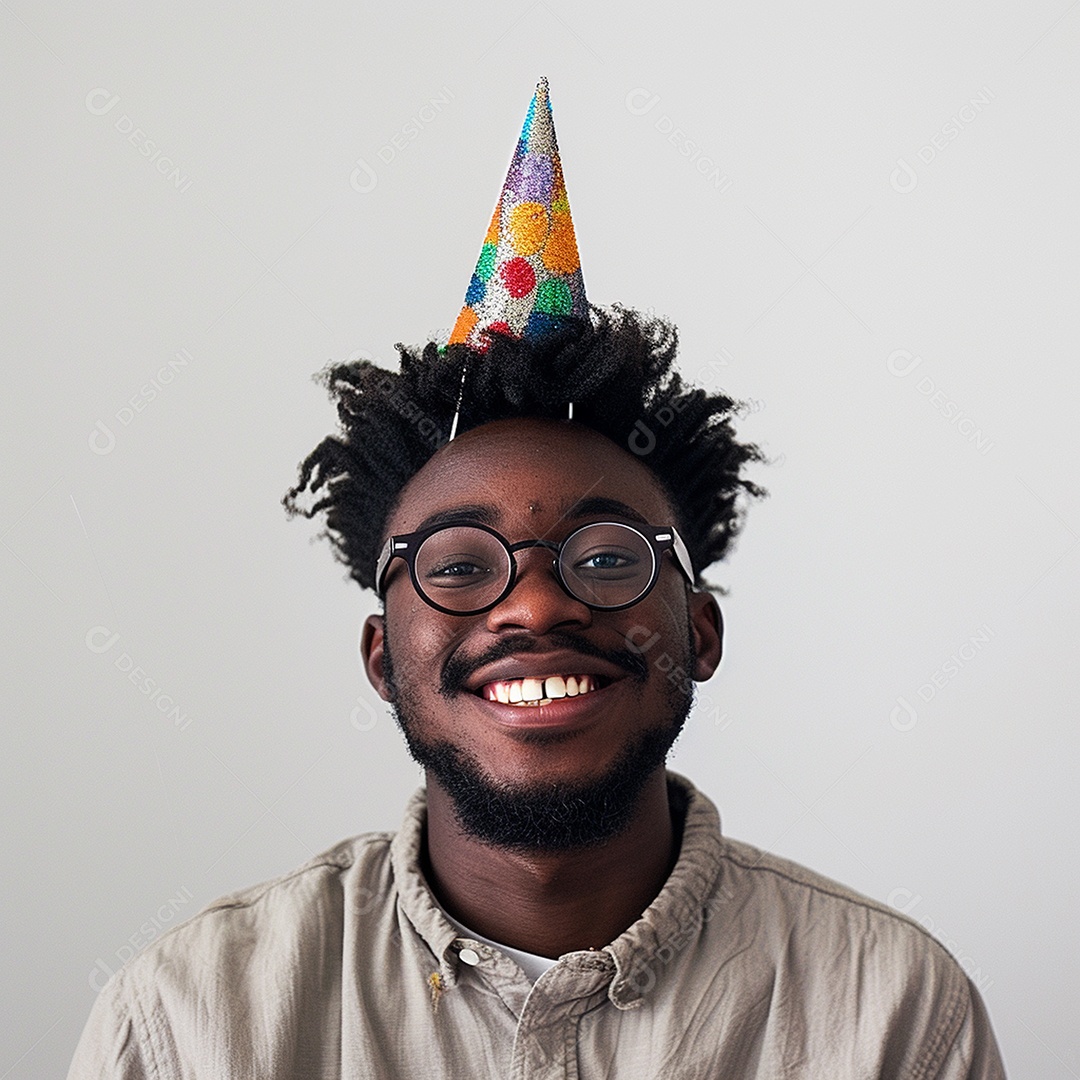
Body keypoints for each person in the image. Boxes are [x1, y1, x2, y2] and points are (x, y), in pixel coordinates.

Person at [68, 79, 1006, 1078]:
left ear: (699, 630)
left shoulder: (894, 1013)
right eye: (459, 566)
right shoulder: (186, 1021)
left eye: (605, 558)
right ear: (383, 657)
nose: (535, 603)